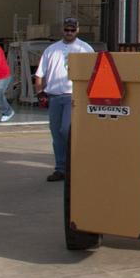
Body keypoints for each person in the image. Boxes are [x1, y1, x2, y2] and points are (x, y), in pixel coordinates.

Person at [35, 18, 95, 181]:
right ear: (62, 30)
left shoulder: (85, 48)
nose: (69, 33)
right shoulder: (51, 49)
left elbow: (94, 72)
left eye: (72, 30)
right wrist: (40, 93)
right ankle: (61, 168)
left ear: (77, 30)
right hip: (54, 97)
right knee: (56, 134)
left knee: (66, 129)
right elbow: (40, 74)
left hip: (72, 96)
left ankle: (75, 164)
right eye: (67, 30)